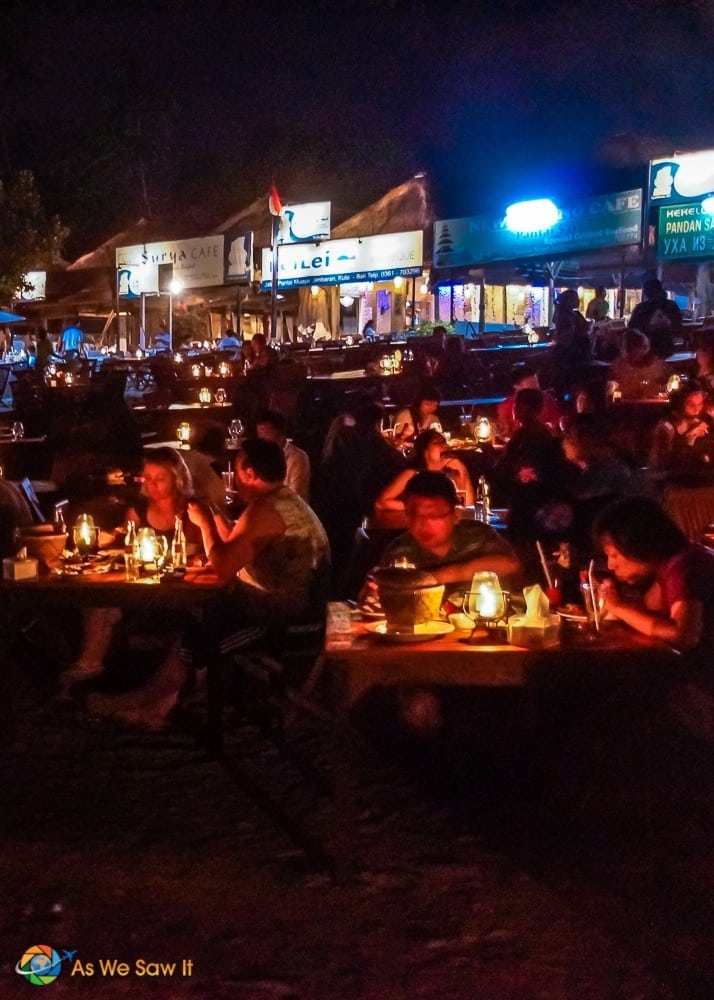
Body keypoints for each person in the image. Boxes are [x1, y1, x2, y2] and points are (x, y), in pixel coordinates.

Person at [89, 440, 331, 729]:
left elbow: (224, 566)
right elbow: (238, 544)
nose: (235, 481)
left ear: (250, 473)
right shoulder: (284, 501)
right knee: (200, 623)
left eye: (238, 472)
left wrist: (204, 524)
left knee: (201, 634)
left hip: (283, 624)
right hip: (291, 610)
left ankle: (143, 700)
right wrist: (215, 513)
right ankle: (159, 706)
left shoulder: (265, 510)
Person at [68, 449, 201, 688]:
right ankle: (89, 667)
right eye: (148, 478)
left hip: (176, 591)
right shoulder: (139, 509)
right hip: (140, 585)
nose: (152, 485)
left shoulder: (191, 511)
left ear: (177, 478)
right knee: (101, 601)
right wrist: (110, 537)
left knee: (107, 605)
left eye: (159, 479)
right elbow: (126, 540)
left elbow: (194, 553)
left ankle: (90, 670)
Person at [594, 496, 714, 740]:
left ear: (638, 543)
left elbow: (684, 635)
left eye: (614, 555)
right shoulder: (672, 563)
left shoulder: (684, 566)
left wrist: (617, 607)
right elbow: (650, 607)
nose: (611, 565)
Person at [375, 428, 474, 511]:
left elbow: (468, 507)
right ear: (425, 451)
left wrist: (463, 471)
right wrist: (420, 507)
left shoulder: (451, 475)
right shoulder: (412, 474)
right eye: (438, 442)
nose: (444, 445)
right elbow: (381, 503)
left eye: (444, 442)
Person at [648, 381, 714, 471]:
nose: (697, 409)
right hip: (674, 481)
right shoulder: (666, 428)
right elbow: (662, 465)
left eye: (700, 404)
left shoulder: (699, 423)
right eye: (691, 405)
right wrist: (690, 440)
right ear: (680, 404)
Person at [255, 408, 311, 500]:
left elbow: (295, 497)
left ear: (281, 436)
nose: (263, 443)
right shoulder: (262, 457)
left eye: (267, 438)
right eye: (260, 438)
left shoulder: (298, 458)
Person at [496, 364, 560, 440]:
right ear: (516, 387)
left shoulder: (548, 400)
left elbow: (557, 427)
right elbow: (504, 434)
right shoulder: (505, 407)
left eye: (536, 388)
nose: (535, 393)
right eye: (530, 390)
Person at [628, 278, 682, 360]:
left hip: (646, 350)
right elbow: (678, 325)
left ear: (646, 293)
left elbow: (631, 328)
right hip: (668, 348)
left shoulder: (641, 308)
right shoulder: (672, 305)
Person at [609, 329, 668, 399]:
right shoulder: (618, 365)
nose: (634, 359)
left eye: (636, 355)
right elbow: (612, 385)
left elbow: (664, 386)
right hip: (624, 405)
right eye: (631, 356)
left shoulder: (657, 366)